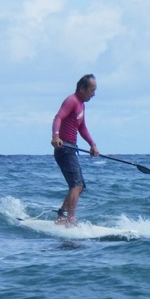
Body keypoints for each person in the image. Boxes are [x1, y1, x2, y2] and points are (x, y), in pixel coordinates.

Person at [51, 74, 100, 226]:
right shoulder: (71, 101)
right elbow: (58, 118)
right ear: (82, 88)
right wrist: (55, 136)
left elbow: (82, 127)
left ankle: (61, 216)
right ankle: (70, 219)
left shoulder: (81, 105)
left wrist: (92, 144)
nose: (94, 94)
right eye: (92, 90)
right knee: (76, 185)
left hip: (71, 148)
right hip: (63, 147)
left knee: (80, 186)